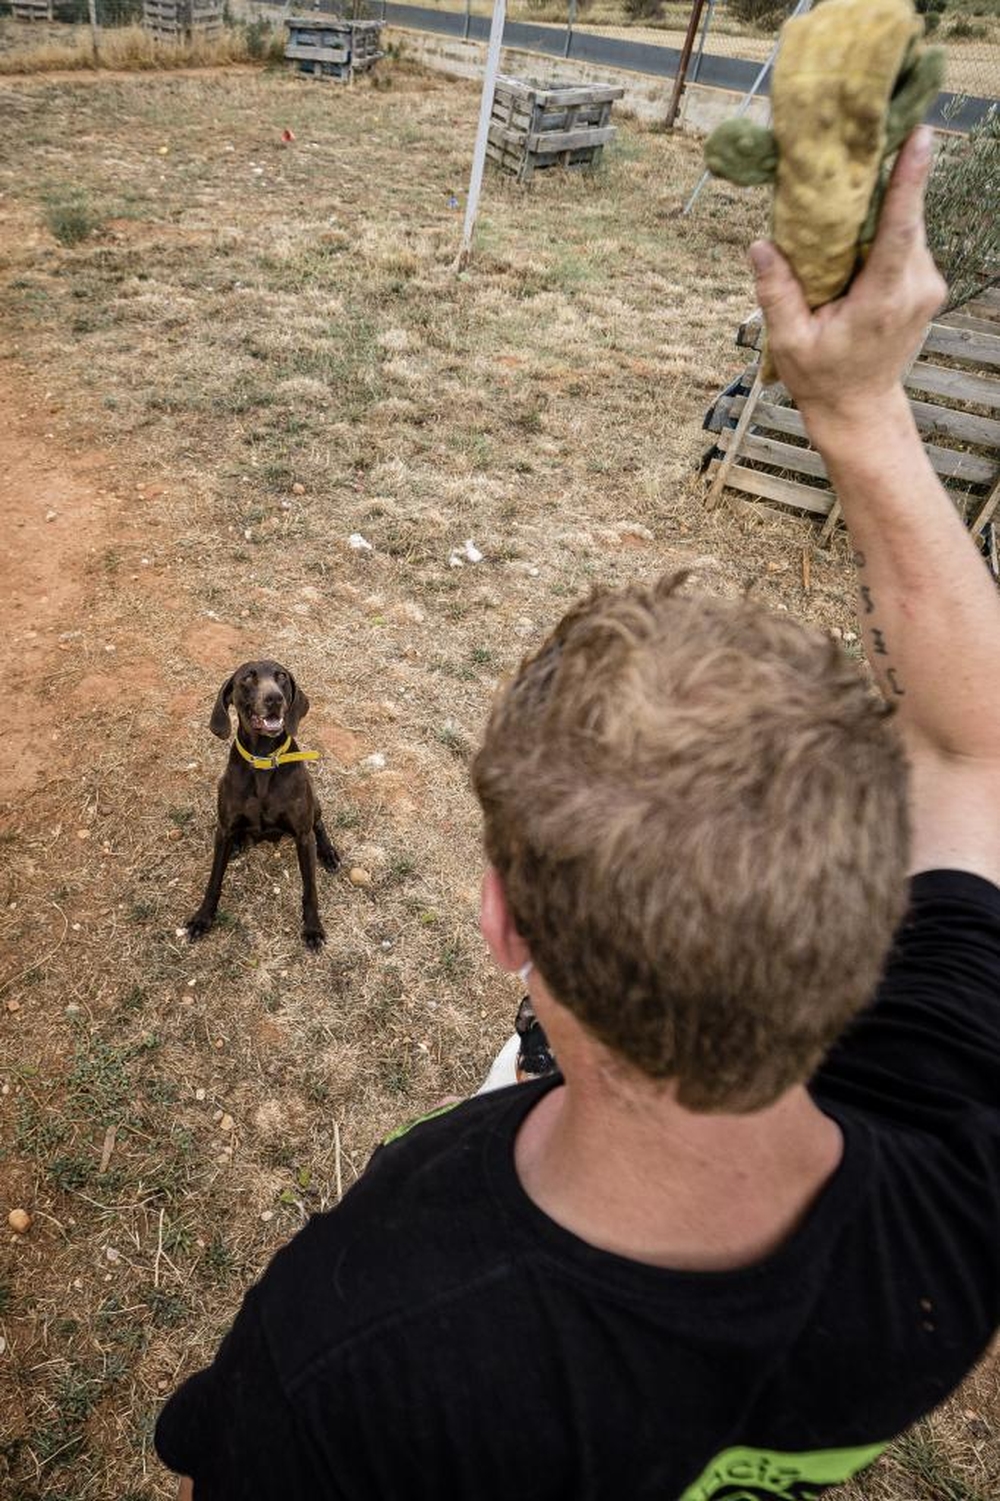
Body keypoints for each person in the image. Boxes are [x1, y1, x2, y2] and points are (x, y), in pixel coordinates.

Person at [156, 128, 1000, 1501]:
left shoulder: (347, 1347)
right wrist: (863, 411)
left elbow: (972, 752)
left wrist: (846, 405)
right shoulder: (952, 1208)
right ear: (871, 925)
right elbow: (978, 749)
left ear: (500, 919)